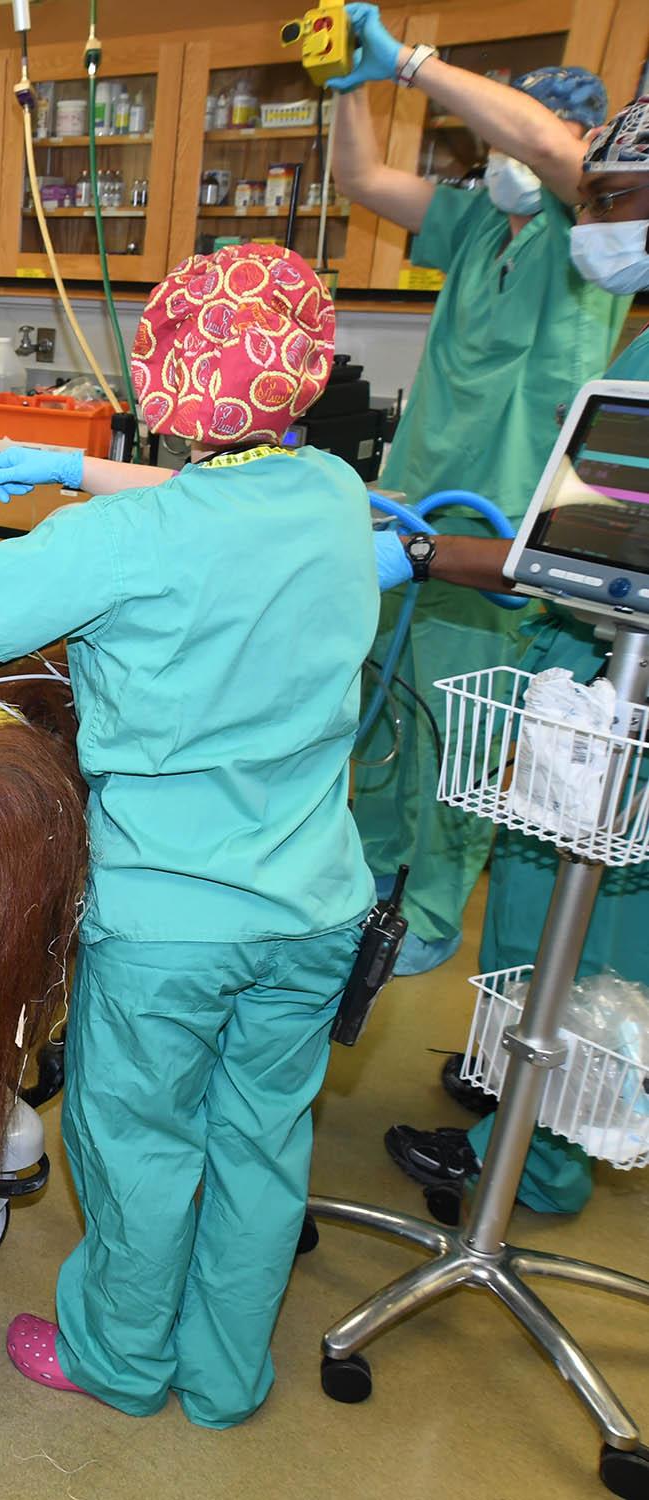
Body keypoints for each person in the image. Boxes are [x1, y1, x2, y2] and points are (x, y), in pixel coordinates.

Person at [0, 245, 374, 1426]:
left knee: (142, 1143)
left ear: (167, 379)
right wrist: (78, 464)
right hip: (315, 903)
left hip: (171, 919)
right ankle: (225, 1376)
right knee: (262, 1145)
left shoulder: (126, 544)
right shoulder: (333, 495)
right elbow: (211, 507)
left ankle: (118, 1359)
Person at [377, 94, 649, 1220]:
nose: (600, 222)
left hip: (622, 705)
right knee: (550, 923)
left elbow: (588, 559)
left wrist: (431, 554)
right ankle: (515, 1091)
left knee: (574, 935)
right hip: (607, 675)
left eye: (618, 200)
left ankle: (528, 1169)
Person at [329, 4, 628, 975]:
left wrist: (409, 60)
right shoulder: (469, 225)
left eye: (509, 130)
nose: (496, 148)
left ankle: (430, 909)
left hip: (498, 533)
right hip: (412, 506)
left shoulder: (592, 235)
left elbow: (544, 143)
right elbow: (364, 180)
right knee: (387, 704)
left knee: (461, 727)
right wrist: (349, 89)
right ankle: (371, 876)